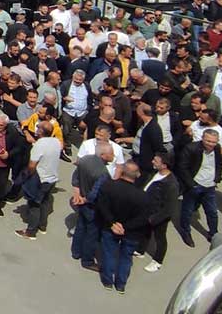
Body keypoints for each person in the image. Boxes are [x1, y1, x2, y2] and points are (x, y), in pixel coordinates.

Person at [95, 162, 151, 295]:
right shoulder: (142, 196)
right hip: (131, 232)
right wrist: (125, 227)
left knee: (109, 253)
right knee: (126, 257)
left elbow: (102, 206)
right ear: (137, 175)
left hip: (110, 227)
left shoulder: (108, 186)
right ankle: (120, 285)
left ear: (122, 172)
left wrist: (113, 223)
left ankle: (108, 281)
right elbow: (143, 218)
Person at [71, 141, 115, 271]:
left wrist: (77, 195)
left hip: (82, 202)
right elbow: (94, 194)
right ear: (103, 155)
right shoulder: (103, 173)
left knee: (80, 227)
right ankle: (87, 260)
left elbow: (75, 179)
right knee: (92, 234)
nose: (113, 155)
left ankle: (76, 251)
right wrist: (84, 200)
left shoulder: (84, 160)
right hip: (93, 207)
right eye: (111, 153)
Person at [176, 128, 222, 248]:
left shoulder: (217, 148)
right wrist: (191, 184)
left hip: (210, 186)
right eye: (208, 141)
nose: (211, 144)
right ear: (202, 138)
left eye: (214, 142)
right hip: (195, 185)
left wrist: (217, 177)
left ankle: (213, 234)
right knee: (187, 211)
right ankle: (186, 232)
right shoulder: (191, 148)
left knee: (212, 212)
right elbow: (182, 167)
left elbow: (218, 164)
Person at [16, 121, 62, 240]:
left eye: (38, 128)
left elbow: (32, 165)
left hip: (40, 178)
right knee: (45, 202)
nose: (36, 129)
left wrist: (28, 176)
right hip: (52, 178)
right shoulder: (56, 141)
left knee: (34, 204)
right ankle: (42, 226)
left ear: (41, 131)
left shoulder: (39, 145)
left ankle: (31, 231)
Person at [140, 152, 180, 273]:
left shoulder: (171, 184)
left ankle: (158, 261)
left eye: (156, 161)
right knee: (145, 232)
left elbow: (170, 207)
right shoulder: (155, 173)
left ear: (164, 165)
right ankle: (140, 250)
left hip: (158, 215)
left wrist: (154, 218)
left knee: (160, 238)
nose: (153, 162)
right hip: (147, 211)